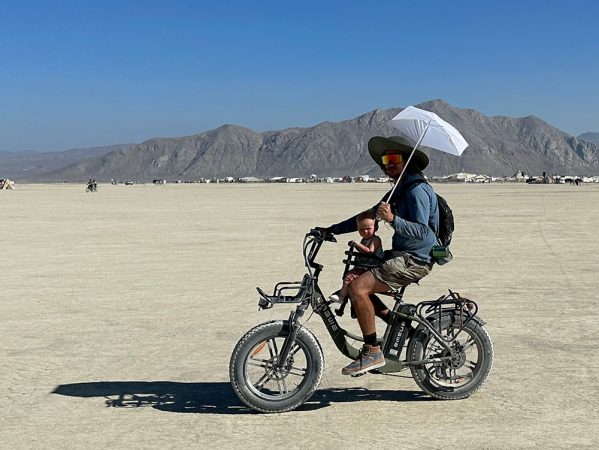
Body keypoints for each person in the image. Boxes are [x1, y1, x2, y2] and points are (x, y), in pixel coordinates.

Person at [325, 135, 439, 376]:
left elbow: (423, 232)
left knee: (358, 289)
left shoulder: (416, 190)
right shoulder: (399, 190)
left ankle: (372, 351)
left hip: (416, 259)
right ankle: (402, 327)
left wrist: (392, 220)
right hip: (401, 253)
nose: (389, 165)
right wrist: (330, 230)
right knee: (359, 280)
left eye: (394, 159)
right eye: (386, 160)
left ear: (408, 162)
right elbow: (366, 217)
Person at [329, 209, 383, 303]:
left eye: (368, 229)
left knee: (349, 276)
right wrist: (356, 246)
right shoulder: (364, 240)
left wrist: (358, 245)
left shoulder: (375, 239)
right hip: (363, 265)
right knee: (348, 275)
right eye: (361, 229)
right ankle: (346, 293)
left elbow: (370, 251)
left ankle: (342, 296)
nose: (365, 232)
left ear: (376, 228)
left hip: (370, 267)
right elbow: (362, 251)